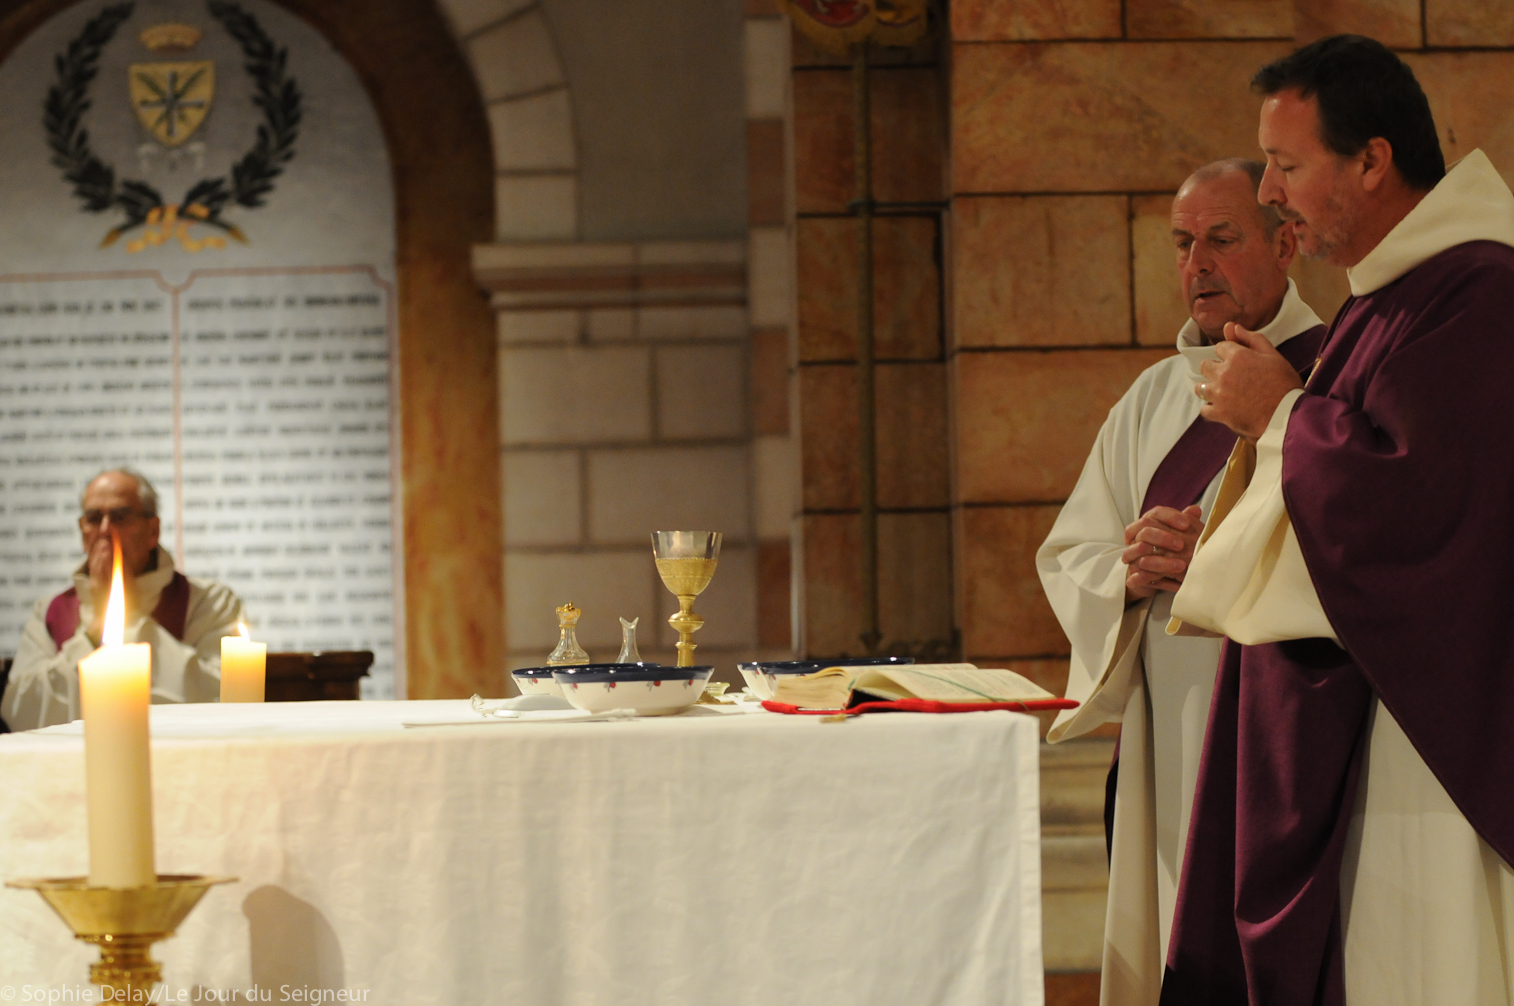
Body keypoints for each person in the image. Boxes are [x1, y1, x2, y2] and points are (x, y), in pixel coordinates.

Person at [1162, 35, 1514, 1006]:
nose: (1270, 192)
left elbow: (1419, 511)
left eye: (1285, 165)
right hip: (1372, 721)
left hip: (1425, 742)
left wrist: (1279, 411)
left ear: (1370, 160)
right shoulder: (1387, 296)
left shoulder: (1477, 291)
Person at [1038, 159, 1327, 1004]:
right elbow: (1071, 553)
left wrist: (1224, 555)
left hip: (1287, 727)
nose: (1197, 264)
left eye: (1221, 239)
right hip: (1173, 732)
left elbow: (1359, 541)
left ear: (1285, 244)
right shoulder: (1150, 398)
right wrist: (1129, 572)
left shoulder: (1332, 375)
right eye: (1181, 244)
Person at [2, 468, 247, 730]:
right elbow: (20, 714)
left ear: (153, 531)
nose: (105, 530)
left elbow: (218, 699)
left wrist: (128, 615)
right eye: (94, 519)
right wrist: (94, 632)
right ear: (82, 532)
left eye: (120, 517)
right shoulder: (50, 611)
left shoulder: (210, 603)